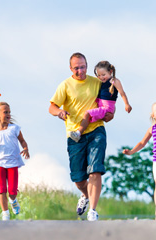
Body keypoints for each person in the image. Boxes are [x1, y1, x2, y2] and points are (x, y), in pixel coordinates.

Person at [49, 52, 114, 221]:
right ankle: (85, 195)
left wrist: (111, 114)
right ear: (71, 68)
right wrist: (60, 112)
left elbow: (109, 97)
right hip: (74, 135)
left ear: (87, 65)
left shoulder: (96, 81)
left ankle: (92, 210)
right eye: (76, 68)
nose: (80, 71)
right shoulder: (65, 85)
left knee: (95, 170)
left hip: (96, 130)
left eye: (83, 67)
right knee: (78, 178)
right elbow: (52, 107)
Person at [0, 102, 30, 221]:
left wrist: (25, 148)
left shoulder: (14, 128)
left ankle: (13, 200)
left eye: (9, 112)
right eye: (5, 112)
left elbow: (22, 141)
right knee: (2, 189)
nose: (9, 114)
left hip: (13, 162)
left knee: (12, 191)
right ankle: (5, 213)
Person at [69, 60, 132, 142]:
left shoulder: (114, 81)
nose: (101, 77)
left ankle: (78, 133)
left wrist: (126, 104)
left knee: (87, 113)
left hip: (107, 108)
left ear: (110, 71)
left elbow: (122, 93)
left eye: (103, 75)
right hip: (102, 106)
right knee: (87, 116)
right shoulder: (101, 81)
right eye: (99, 75)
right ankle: (83, 134)